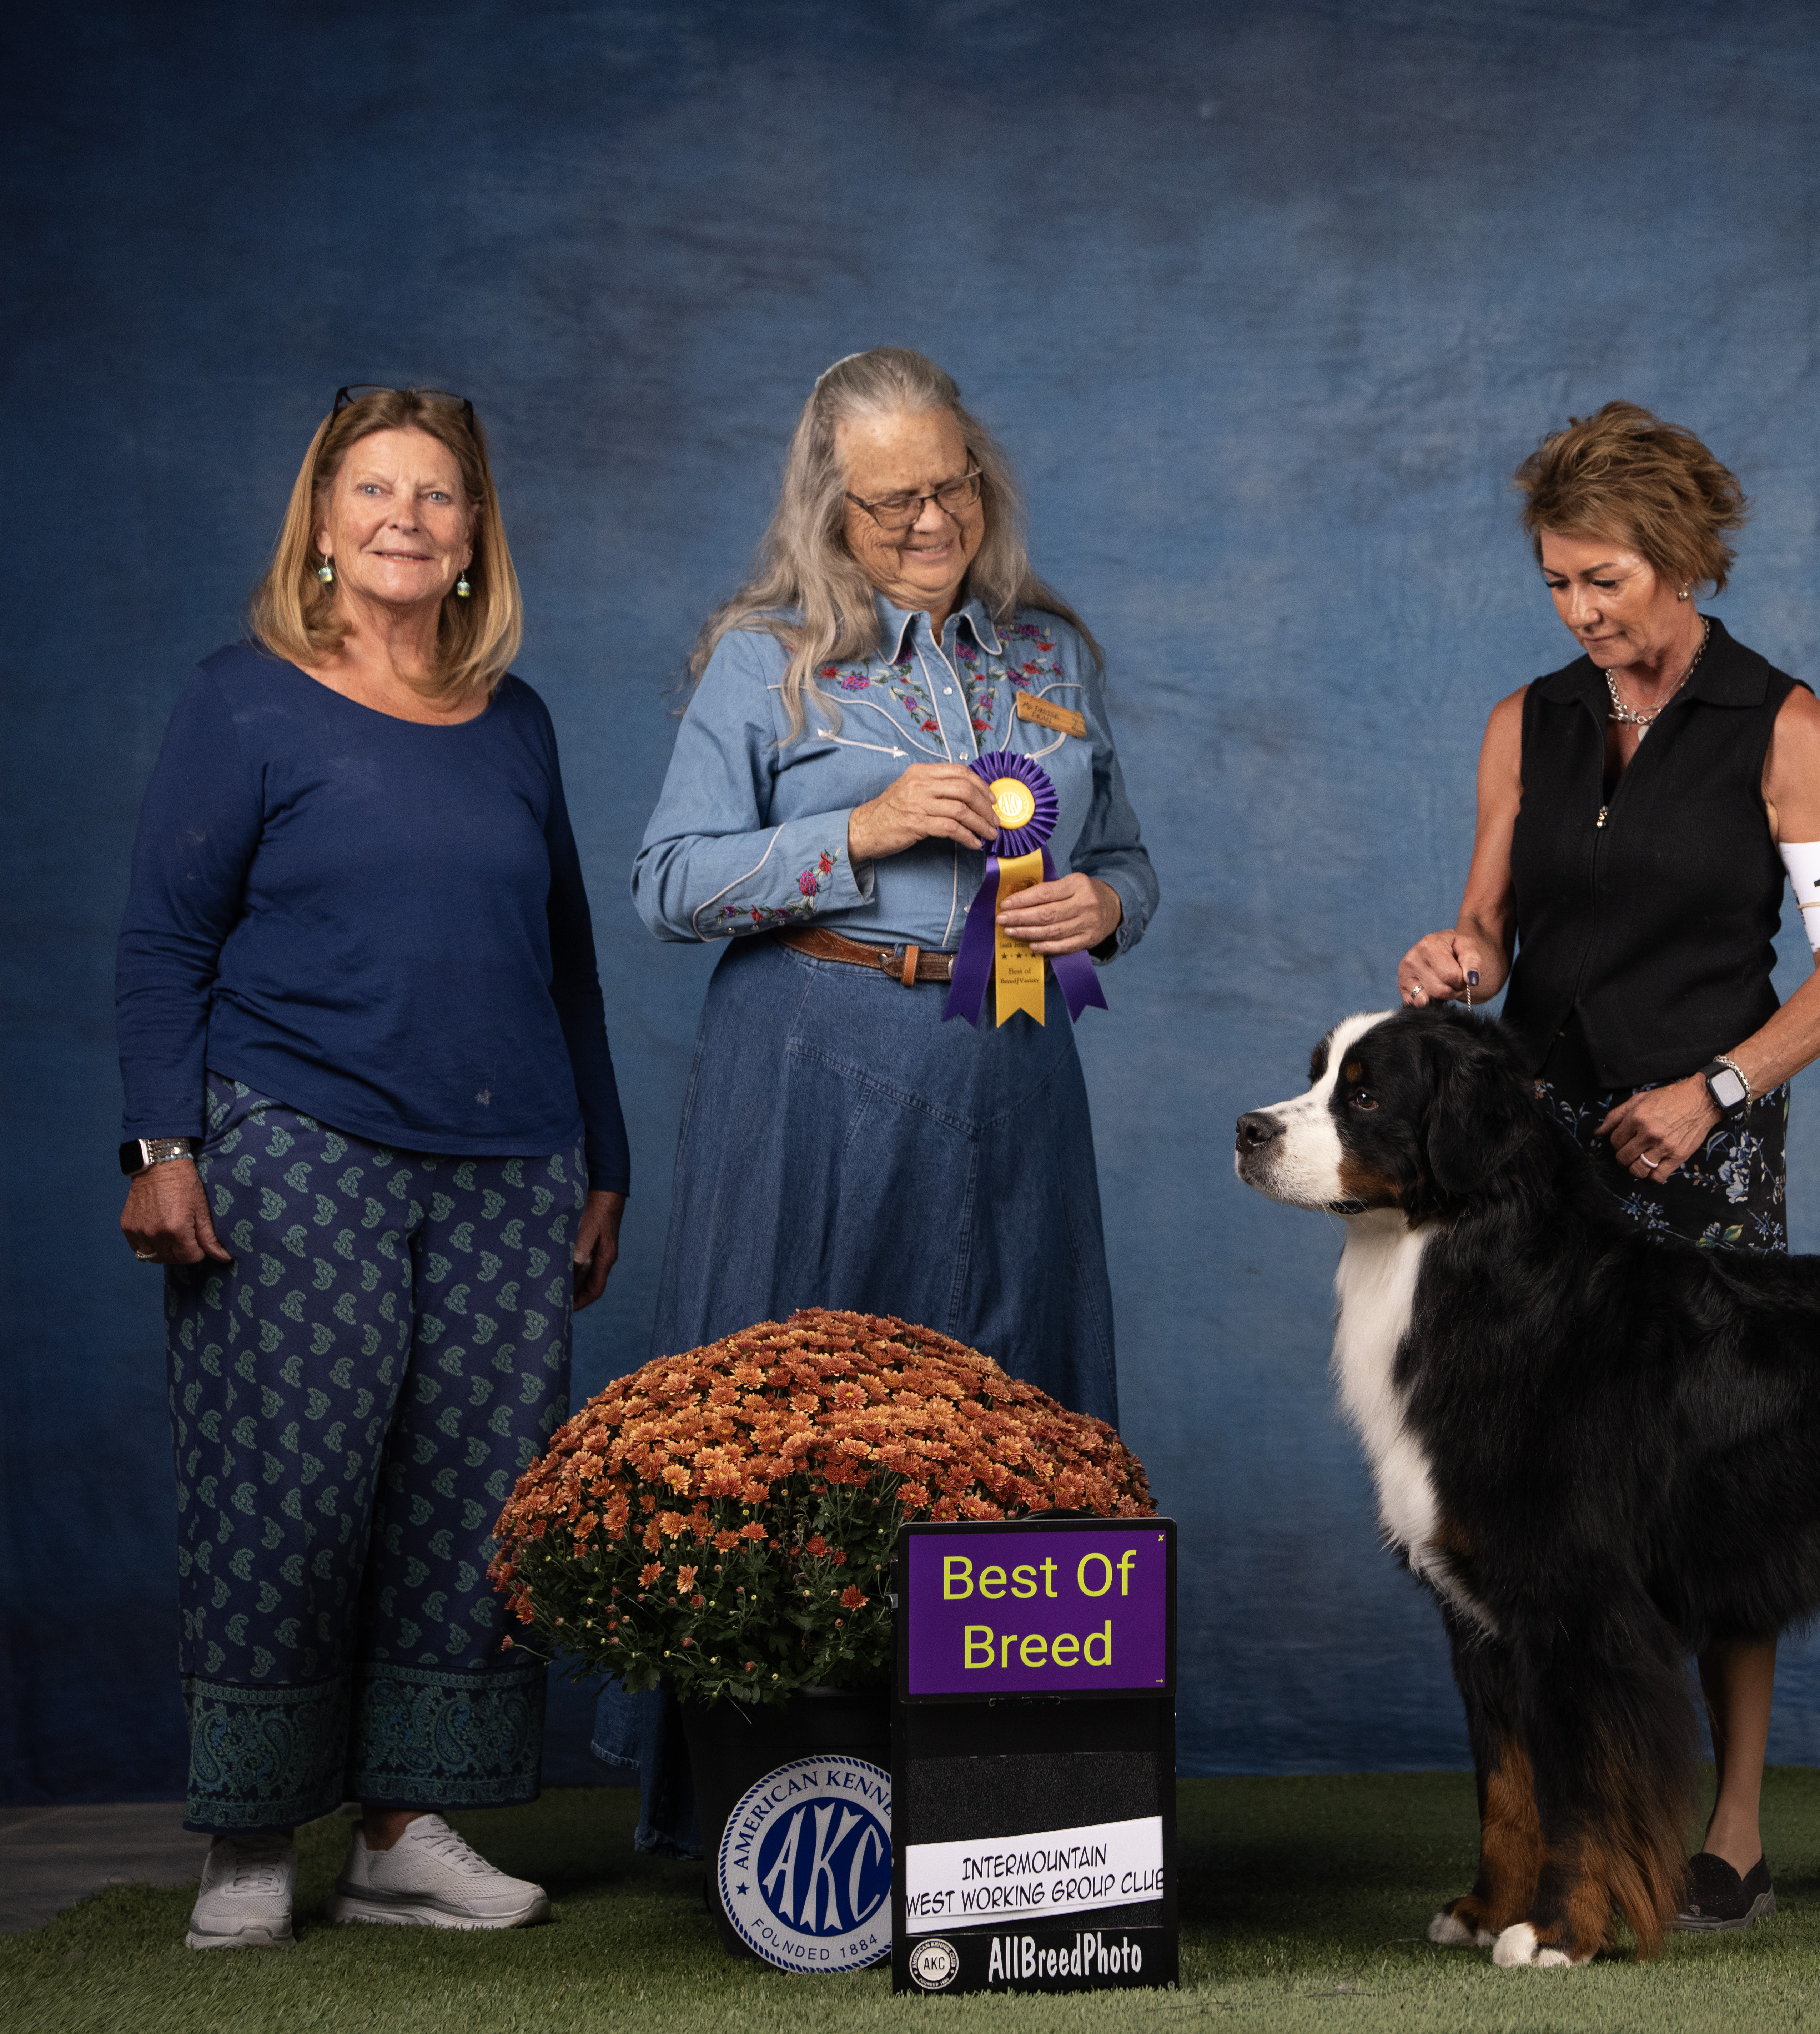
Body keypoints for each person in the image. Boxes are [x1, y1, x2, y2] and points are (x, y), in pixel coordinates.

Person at [602, 346, 1157, 1851]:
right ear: (827, 513)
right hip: (813, 1068)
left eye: (951, 486)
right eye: (892, 500)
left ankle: (1011, 1811)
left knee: (1018, 1416)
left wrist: (1103, 915)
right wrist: (852, 833)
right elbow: (665, 883)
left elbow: (1127, 862)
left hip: (1013, 1069)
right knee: (804, 1432)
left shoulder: (1051, 655)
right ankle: (781, 1805)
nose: (930, 521)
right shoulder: (762, 658)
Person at [116, 386, 631, 1947]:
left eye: (438, 496)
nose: (406, 518)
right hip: (293, 1145)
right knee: (291, 1494)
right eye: (373, 491)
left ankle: (407, 1830)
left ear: (476, 537)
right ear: (322, 522)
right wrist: (162, 1147)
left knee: (476, 1504)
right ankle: (253, 1840)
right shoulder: (242, 700)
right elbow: (165, 943)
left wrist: (603, 1161)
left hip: (512, 1163)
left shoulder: (518, 721)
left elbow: (567, 967)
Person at [1396, 402, 1820, 1932]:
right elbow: (1484, 928)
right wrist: (1453, 952)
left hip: (1705, 1158)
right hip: (1533, 1160)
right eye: (1555, 584)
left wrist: (1714, 1088)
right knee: (1532, 1499)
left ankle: (1725, 1826)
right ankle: (1554, 1820)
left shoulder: (1784, 726)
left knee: (1715, 1489)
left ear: (1679, 559)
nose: (1577, 613)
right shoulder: (1520, 722)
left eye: (1601, 580)